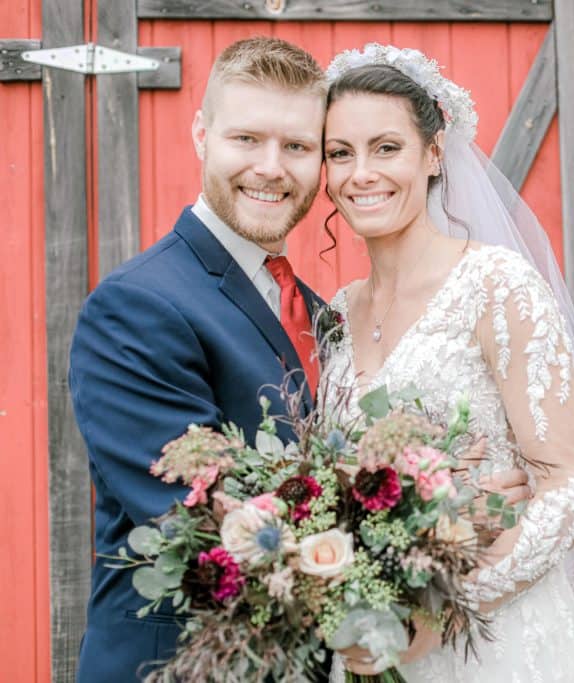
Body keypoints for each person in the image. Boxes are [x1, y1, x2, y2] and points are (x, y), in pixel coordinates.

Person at [68, 37, 529, 682]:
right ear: (202, 134)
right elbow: (215, 524)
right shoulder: (138, 306)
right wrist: (445, 515)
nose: (271, 167)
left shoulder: (323, 312)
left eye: (296, 146)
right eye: (246, 139)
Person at [319, 45, 574, 682]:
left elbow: (571, 489)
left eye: (386, 148)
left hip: (495, 641)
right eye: (340, 153)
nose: (361, 174)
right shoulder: (334, 315)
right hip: (372, 646)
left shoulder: (495, 285)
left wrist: (434, 617)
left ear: (433, 154)